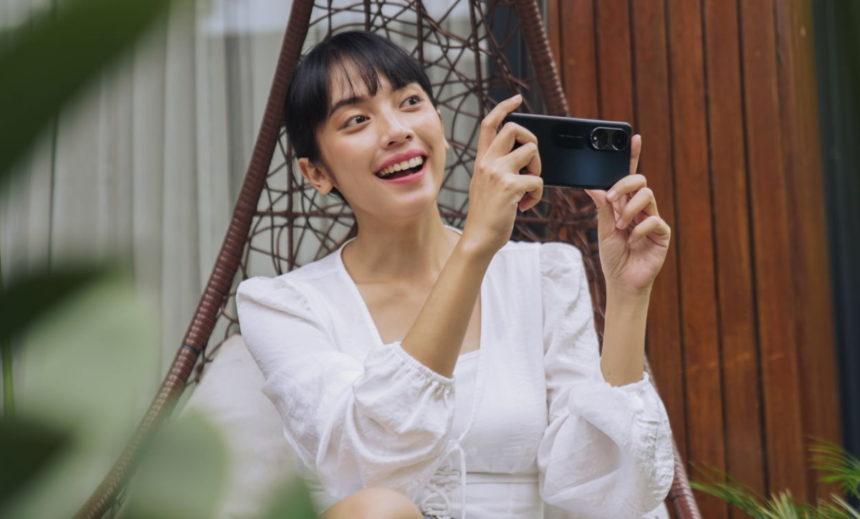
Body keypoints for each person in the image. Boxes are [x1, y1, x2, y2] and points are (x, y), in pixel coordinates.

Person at [237, 31, 674, 519]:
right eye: (356, 119)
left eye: (410, 102)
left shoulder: (543, 276)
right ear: (316, 173)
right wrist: (475, 247)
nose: (396, 130)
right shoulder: (282, 306)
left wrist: (628, 294)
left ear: (440, 128)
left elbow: (599, 491)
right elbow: (370, 463)